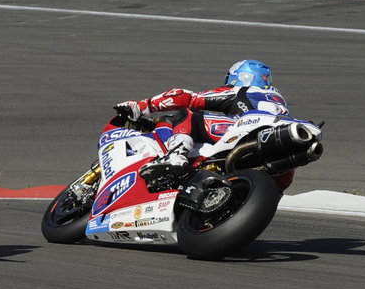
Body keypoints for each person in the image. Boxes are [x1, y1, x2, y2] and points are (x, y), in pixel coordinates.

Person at [113, 59, 287, 190]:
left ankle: (176, 156)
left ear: (239, 77)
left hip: (249, 132)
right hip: (277, 154)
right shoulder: (278, 99)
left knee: (188, 114)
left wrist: (141, 107)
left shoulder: (241, 90)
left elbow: (185, 97)